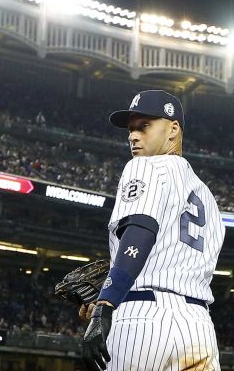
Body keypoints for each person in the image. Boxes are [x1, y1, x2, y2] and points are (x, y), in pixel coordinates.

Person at [81, 90, 225, 371]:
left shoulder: (145, 166)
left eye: (144, 126)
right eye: (131, 129)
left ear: (173, 129)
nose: (133, 136)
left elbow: (140, 231)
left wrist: (105, 303)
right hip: (198, 327)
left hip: (142, 319)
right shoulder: (208, 199)